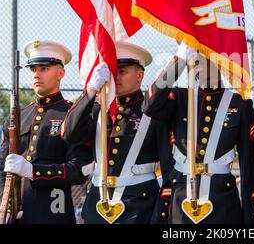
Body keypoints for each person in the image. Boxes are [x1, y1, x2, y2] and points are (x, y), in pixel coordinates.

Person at [142, 42, 254, 224]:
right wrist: (178, 61)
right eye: (192, 53)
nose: (195, 58)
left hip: (222, 203)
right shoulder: (180, 98)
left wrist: (249, 221)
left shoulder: (240, 105)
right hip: (181, 199)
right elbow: (149, 106)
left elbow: (248, 169)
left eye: (201, 51)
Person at [61, 41, 173, 224]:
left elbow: (168, 167)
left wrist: (161, 214)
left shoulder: (153, 111)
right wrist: (91, 92)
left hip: (141, 205)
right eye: (113, 71)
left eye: (122, 71)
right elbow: (70, 134)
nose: (116, 77)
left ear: (139, 75)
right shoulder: (99, 108)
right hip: (98, 204)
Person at [0, 40, 91, 223]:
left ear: (61, 73)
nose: (37, 74)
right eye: (33, 69)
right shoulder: (17, 117)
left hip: (54, 215)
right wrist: (3, 205)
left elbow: (78, 170)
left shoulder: (71, 116)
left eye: (44, 68)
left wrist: (33, 171)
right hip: (16, 215)